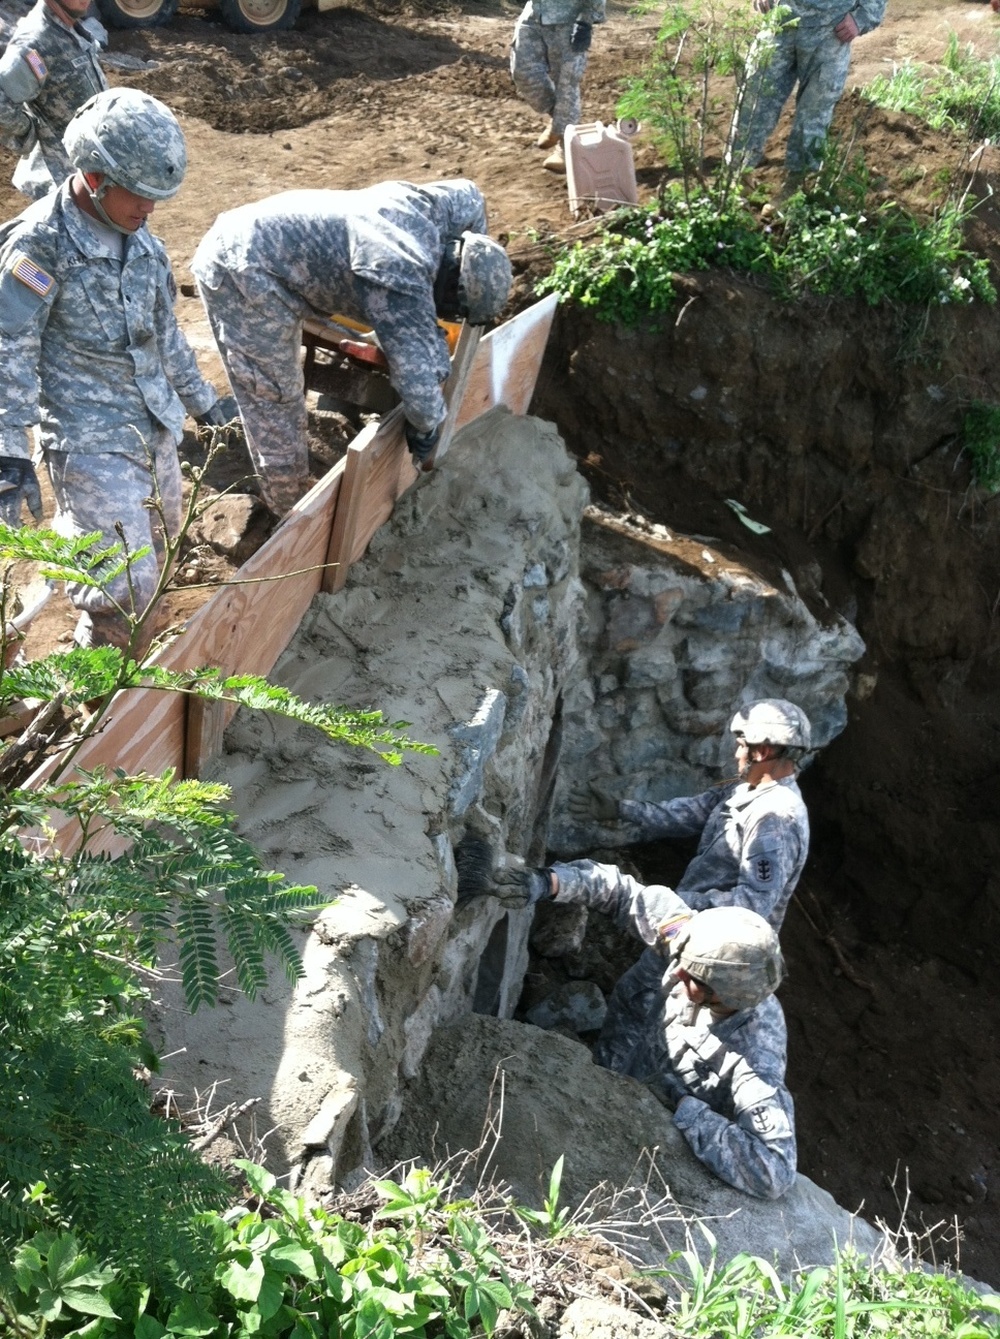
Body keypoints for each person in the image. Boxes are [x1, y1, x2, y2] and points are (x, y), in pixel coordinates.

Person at [0, 88, 234, 649]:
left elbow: (164, 334)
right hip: (87, 437)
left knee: (159, 554)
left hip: (152, 426)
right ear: (96, 176)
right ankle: (96, 700)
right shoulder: (40, 247)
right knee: (121, 588)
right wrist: (7, 451)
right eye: (140, 194)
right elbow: (9, 347)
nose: (149, 209)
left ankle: (82, 558)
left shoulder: (141, 241)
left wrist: (205, 402)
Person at [191, 180, 513, 517]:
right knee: (274, 399)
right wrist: (428, 439)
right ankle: (290, 518)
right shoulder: (401, 280)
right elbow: (421, 399)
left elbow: (474, 197)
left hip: (276, 239)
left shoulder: (440, 210)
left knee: (413, 344)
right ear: (447, 294)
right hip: (244, 269)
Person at [477, 861, 796, 1199]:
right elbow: (620, 892)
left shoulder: (754, 1056)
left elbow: (773, 1170)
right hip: (606, 1064)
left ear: (723, 994)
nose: (676, 971)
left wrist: (687, 1109)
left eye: (691, 977)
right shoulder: (693, 939)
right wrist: (547, 883)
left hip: (633, 1128)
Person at [566, 698, 810, 1082]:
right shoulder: (746, 790)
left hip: (713, 953)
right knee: (637, 1000)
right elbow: (689, 813)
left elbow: (751, 908)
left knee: (649, 1014)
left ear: (764, 750)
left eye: (741, 743)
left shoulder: (776, 820)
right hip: (691, 934)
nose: (735, 751)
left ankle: (609, 1087)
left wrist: (676, 907)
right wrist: (622, 809)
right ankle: (608, 1077)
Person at [728, 0, 886, 180]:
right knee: (754, 100)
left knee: (814, 112)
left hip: (830, 31)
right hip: (779, 23)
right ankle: (735, 180)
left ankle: (798, 187)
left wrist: (863, 16)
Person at [0, 0, 108, 201]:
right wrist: (32, 132)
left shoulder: (70, 27)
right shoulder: (35, 43)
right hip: (61, 188)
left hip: (90, 180)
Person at [510, 0, 605, 174]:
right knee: (523, 72)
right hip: (534, 14)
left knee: (566, 81)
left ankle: (566, 149)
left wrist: (586, 20)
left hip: (569, 19)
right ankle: (559, 121)